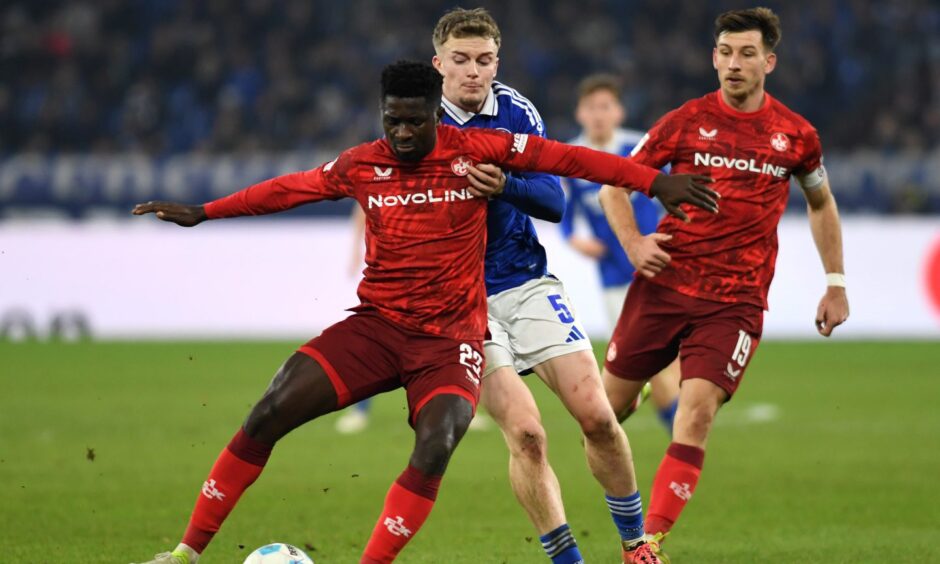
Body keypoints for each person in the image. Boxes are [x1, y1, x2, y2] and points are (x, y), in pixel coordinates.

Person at [131, 60, 718, 564]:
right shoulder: (363, 163)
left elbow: (569, 162)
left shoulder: (480, 150)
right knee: (269, 410)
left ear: (437, 113)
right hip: (378, 328)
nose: (405, 132)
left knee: (438, 442)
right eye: (394, 121)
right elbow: (287, 189)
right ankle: (185, 551)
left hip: (451, 343)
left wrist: (652, 184)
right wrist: (204, 212)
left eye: (416, 120)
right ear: (383, 115)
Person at [430, 9, 707, 563]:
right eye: (460, 60)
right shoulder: (415, 120)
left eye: (484, 61)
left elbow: (554, 201)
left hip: (525, 280)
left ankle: (636, 546)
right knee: (528, 436)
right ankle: (567, 559)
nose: (472, 73)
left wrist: (506, 184)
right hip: (458, 299)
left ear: (496, 62)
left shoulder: (515, 112)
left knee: (599, 417)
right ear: (438, 63)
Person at [599, 8, 849, 559]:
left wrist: (835, 282)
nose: (734, 64)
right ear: (714, 57)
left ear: (769, 62)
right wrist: (635, 245)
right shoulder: (684, 121)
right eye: (725, 53)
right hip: (664, 287)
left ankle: (647, 543)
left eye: (747, 54)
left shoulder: (796, 135)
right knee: (605, 414)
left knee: (696, 411)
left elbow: (821, 202)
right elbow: (613, 188)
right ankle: (638, 386)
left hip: (734, 301)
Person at [560, 74, 680, 434]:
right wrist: (574, 240)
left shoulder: (639, 147)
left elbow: (676, 188)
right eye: (591, 107)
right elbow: (566, 216)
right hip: (614, 273)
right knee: (651, 357)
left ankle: (670, 426)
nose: (598, 114)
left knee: (666, 356)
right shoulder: (572, 156)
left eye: (605, 107)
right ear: (580, 113)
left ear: (618, 112)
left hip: (659, 263)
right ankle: (671, 428)